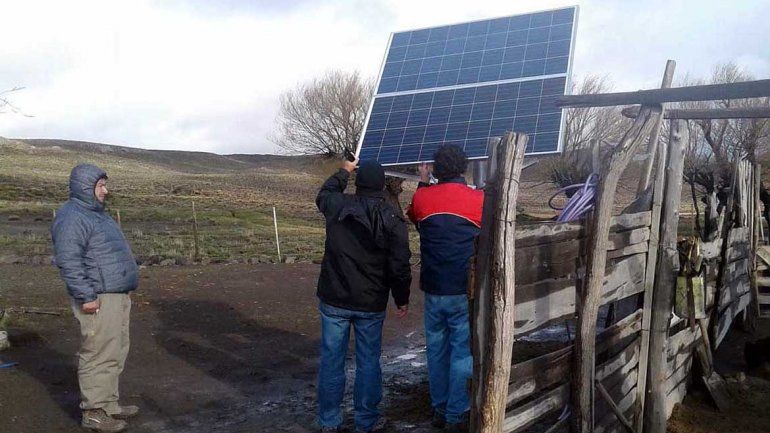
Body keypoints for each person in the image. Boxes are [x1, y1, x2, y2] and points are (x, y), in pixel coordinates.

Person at [315, 156, 412, 433]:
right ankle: (365, 422)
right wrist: (401, 298)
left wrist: (344, 171)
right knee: (368, 362)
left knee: (332, 360)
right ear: (381, 185)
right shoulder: (392, 219)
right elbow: (399, 264)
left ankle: (329, 422)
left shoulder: (337, 205)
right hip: (370, 302)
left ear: (357, 182)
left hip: (334, 297)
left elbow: (324, 193)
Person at [51, 164, 139, 433]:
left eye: (104, 185)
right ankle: (94, 412)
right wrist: (86, 295)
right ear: (85, 187)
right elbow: (69, 260)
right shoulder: (72, 217)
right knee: (98, 352)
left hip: (114, 294)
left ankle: (108, 404)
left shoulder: (97, 214)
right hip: (97, 296)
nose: (105, 191)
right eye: (100, 185)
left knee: (115, 350)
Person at [407, 145, 483, 433]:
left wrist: (423, 182)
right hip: (463, 288)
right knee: (462, 351)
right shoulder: (478, 199)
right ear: (463, 167)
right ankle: (456, 414)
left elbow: (414, 216)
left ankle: (439, 408)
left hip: (433, 287)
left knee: (436, 349)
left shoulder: (422, 197)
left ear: (436, 169)